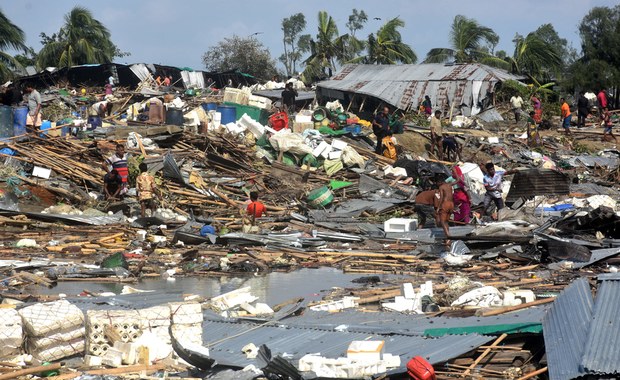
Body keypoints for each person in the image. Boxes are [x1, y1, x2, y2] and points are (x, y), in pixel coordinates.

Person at [435, 174, 454, 238]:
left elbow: (441, 198)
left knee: (442, 221)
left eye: (437, 183)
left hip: (445, 204)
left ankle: (448, 236)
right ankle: (447, 239)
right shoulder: (449, 185)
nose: (437, 184)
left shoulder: (441, 187)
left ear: (440, 182)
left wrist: (438, 207)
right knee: (446, 221)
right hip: (451, 204)